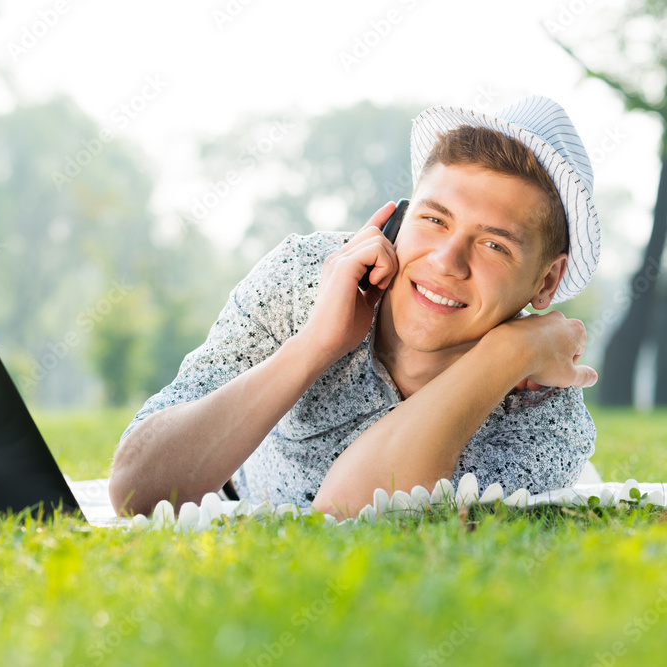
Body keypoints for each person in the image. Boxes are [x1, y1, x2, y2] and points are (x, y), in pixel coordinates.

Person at [108, 95, 601, 520]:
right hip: (235, 491)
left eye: (495, 245)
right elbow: (136, 492)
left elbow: (347, 515)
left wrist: (505, 358)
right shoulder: (305, 275)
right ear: (400, 219)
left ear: (547, 282)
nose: (447, 262)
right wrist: (317, 343)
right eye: (434, 219)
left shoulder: (546, 414)